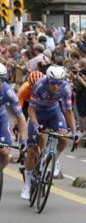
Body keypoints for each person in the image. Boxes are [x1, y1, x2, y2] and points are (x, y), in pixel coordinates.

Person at [23, 65, 78, 197]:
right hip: (38, 113)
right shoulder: (39, 86)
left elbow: (68, 111)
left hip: (54, 112)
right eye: (53, 82)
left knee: (63, 138)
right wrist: (36, 126)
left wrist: (75, 132)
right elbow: (30, 109)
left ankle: (54, 160)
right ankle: (28, 183)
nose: (56, 86)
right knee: (31, 149)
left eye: (59, 82)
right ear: (48, 80)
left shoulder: (65, 88)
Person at [0, 64, 28, 182]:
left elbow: (20, 117)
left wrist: (23, 140)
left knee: (5, 153)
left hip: (0, 118)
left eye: (0, 80)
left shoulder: (7, 91)